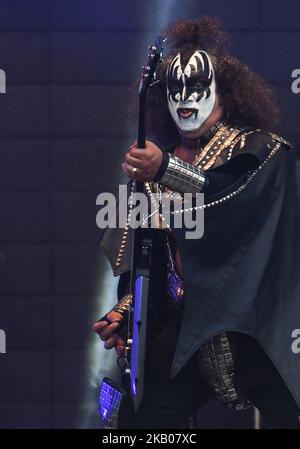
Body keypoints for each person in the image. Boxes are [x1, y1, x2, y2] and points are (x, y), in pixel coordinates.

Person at [94, 17, 300, 428]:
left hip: (253, 331)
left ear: (224, 94)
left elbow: (227, 196)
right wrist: (124, 312)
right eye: (174, 90)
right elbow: (146, 262)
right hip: (181, 336)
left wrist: (165, 168)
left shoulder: (261, 152)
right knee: (138, 423)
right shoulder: (150, 175)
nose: (185, 98)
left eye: (197, 87)